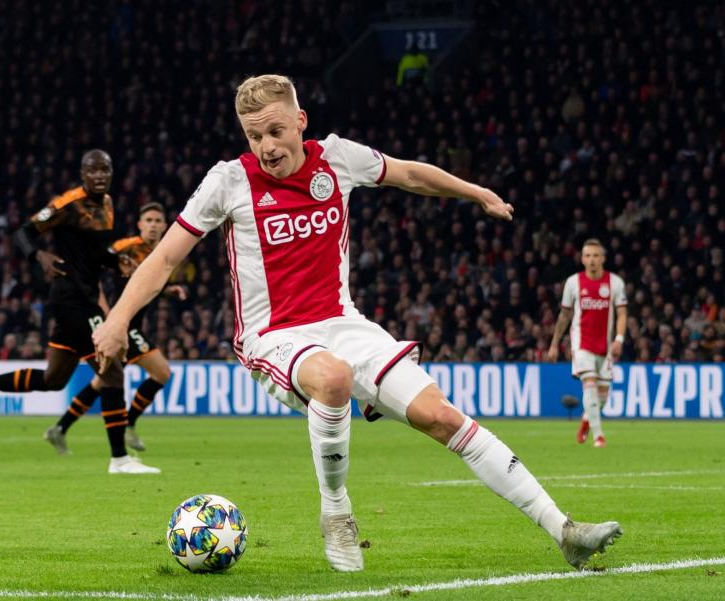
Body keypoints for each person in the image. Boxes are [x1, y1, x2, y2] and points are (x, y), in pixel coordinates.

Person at [93, 74, 622, 572]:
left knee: (441, 416)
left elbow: (410, 173)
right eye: (254, 136)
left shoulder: (338, 159)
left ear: (301, 121)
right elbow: (162, 259)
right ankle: (336, 512)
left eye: (276, 131)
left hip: (344, 323)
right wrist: (117, 321)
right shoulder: (228, 182)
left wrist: (475, 192)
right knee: (333, 378)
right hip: (274, 336)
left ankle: (565, 532)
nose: (267, 146)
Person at [0, 149, 159, 474]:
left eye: (105, 170)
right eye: (93, 170)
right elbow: (24, 233)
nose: (99, 176)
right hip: (72, 297)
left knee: (53, 379)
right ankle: (119, 459)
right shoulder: (68, 203)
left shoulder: (108, 205)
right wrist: (39, 256)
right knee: (112, 367)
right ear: (83, 174)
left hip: (80, 295)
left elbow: (94, 253)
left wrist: (116, 262)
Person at [48, 202, 186, 454]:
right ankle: (129, 426)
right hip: (123, 326)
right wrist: (106, 313)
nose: (154, 225)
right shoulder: (125, 248)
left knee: (102, 382)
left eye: (158, 221)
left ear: (166, 226)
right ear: (139, 225)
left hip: (132, 325)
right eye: (149, 220)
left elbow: (146, 287)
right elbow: (91, 273)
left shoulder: (165, 254)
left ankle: (60, 428)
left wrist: (167, 292)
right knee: (162, 373)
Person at [547, 239, 628, 448]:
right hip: (581, 344)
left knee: (603, 396)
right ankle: (599, 436)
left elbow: (622, 313)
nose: (592, 260)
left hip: (605, 345)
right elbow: (564, 315)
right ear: (582, 259)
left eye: (596, 256)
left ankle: (586, 420)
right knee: (589, 385)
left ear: (603, 258)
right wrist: (554, 343)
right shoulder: (573, 283)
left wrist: (619, 339)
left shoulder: (615, 283)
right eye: (588, 256)